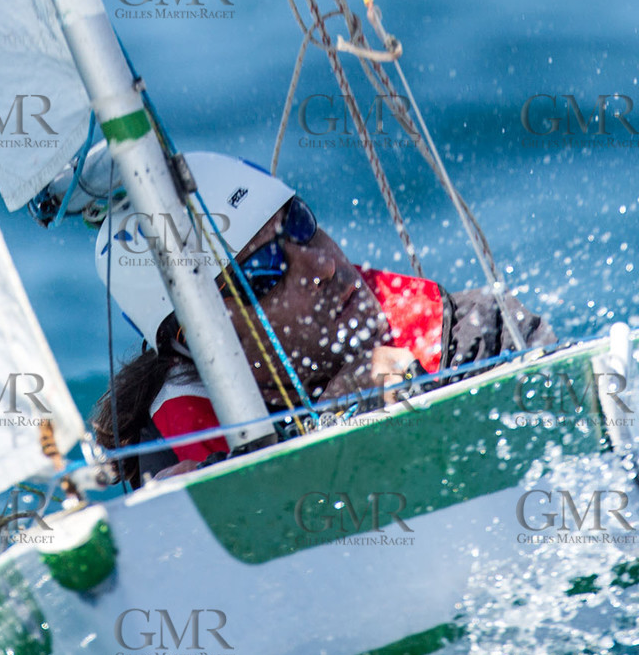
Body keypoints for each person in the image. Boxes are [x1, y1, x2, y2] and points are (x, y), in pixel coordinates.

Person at [91, 152, 556, 486]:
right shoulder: (174, 472)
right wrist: (333, 429)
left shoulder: (480, 335)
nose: (323, 265)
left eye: (299, 223)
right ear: (195, 341)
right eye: (266, 273)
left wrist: (418, 421)